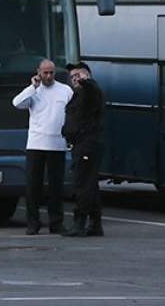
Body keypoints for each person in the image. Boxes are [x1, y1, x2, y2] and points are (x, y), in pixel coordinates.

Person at [12, 58, 72, 235]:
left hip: (57, 144)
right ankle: (33, 222)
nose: (48, 76)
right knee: (33, 186)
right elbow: (16, 103)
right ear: (38, 72)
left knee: (56, 186)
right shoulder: (34, 92)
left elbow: (73, 110)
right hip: (36, 143)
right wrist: (33, 87)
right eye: (45, 72)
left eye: (51, 72)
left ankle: (56, 222)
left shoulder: (65, 90)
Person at [61, 61, 105, 237]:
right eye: (72, 77)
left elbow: (92, 91)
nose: (74, 80)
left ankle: (79, 223)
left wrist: (86, 81)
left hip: (88, 143)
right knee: (90, 185)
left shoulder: (91, 91)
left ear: (87, 75)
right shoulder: (78, 94)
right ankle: (95, 224)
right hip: (80, 143)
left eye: (78, 76)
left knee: (82, 184)